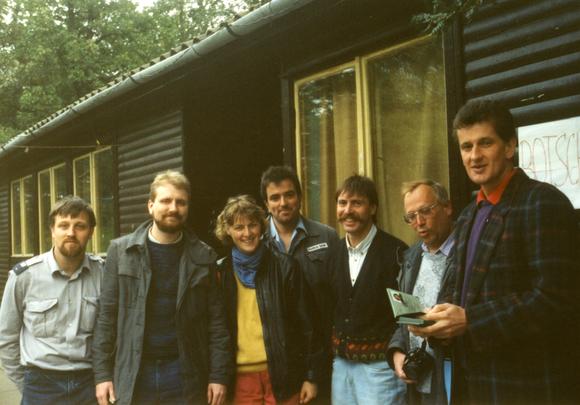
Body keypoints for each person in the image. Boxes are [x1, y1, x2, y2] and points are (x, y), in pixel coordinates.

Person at [409, 99, 580, 404]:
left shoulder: (542, 201)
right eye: (466, 146)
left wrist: (470, 320)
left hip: (527, 387)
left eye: (485, 143)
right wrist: (434, 321)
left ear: (510, 146)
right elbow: (458, 294)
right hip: (473, 387)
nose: (474, 156)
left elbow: (556, 299)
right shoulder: (468, 215)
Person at [92, 170, 231, 405]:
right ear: (151, 206)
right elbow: (107, 317)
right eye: (166, 200)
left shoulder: (204, 255)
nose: (173, 208)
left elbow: (216, 322)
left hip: (184, 374)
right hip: (135, 372)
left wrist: (218, 375)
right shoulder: (121, 251)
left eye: (181, 202)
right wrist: (103, 375)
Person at [214, 195, 322, 404]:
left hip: (284, 376)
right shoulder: (220, 273)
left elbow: (309, 325)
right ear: (227, 230)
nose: (247, 233)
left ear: (261, 226)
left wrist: (311, 377)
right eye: (239, 227)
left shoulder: (285, 267)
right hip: (241, 382)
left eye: (252, 225)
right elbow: (215, 331)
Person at [0, 195, 103, 404]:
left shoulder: (104, 274)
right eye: (63, 225)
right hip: (40, 385)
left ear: (91, 231)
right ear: (52, 231)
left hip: (90, 385)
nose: (71, 233)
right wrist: (26, 385)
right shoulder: (23, 277)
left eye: (80, 226)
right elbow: (6, 337)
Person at [260, 165, 339, 400]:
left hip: (322, 355)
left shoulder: (326, 237)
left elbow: (338, 296)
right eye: (275, 198)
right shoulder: (256, 241)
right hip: (277, 363)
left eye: (289, 195)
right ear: (266, 204)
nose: (283, 203)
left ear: (300, 197)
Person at [328, 174, 407, 405]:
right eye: (342, 203)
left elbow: (407, 316)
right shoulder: (333, 253)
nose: (348, 210)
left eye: (357, 203)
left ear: (373, 208)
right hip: (341, 367)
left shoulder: (396, 253)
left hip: (380, 370)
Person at [388, 180, 456, 405]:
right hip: (418, 381)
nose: (419, 222)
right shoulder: (410, 256)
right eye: (411, 216)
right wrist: (397, 352)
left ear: (447, 207)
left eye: (426, 211)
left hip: (453, 378)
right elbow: (405, 317)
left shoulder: (466, 253)